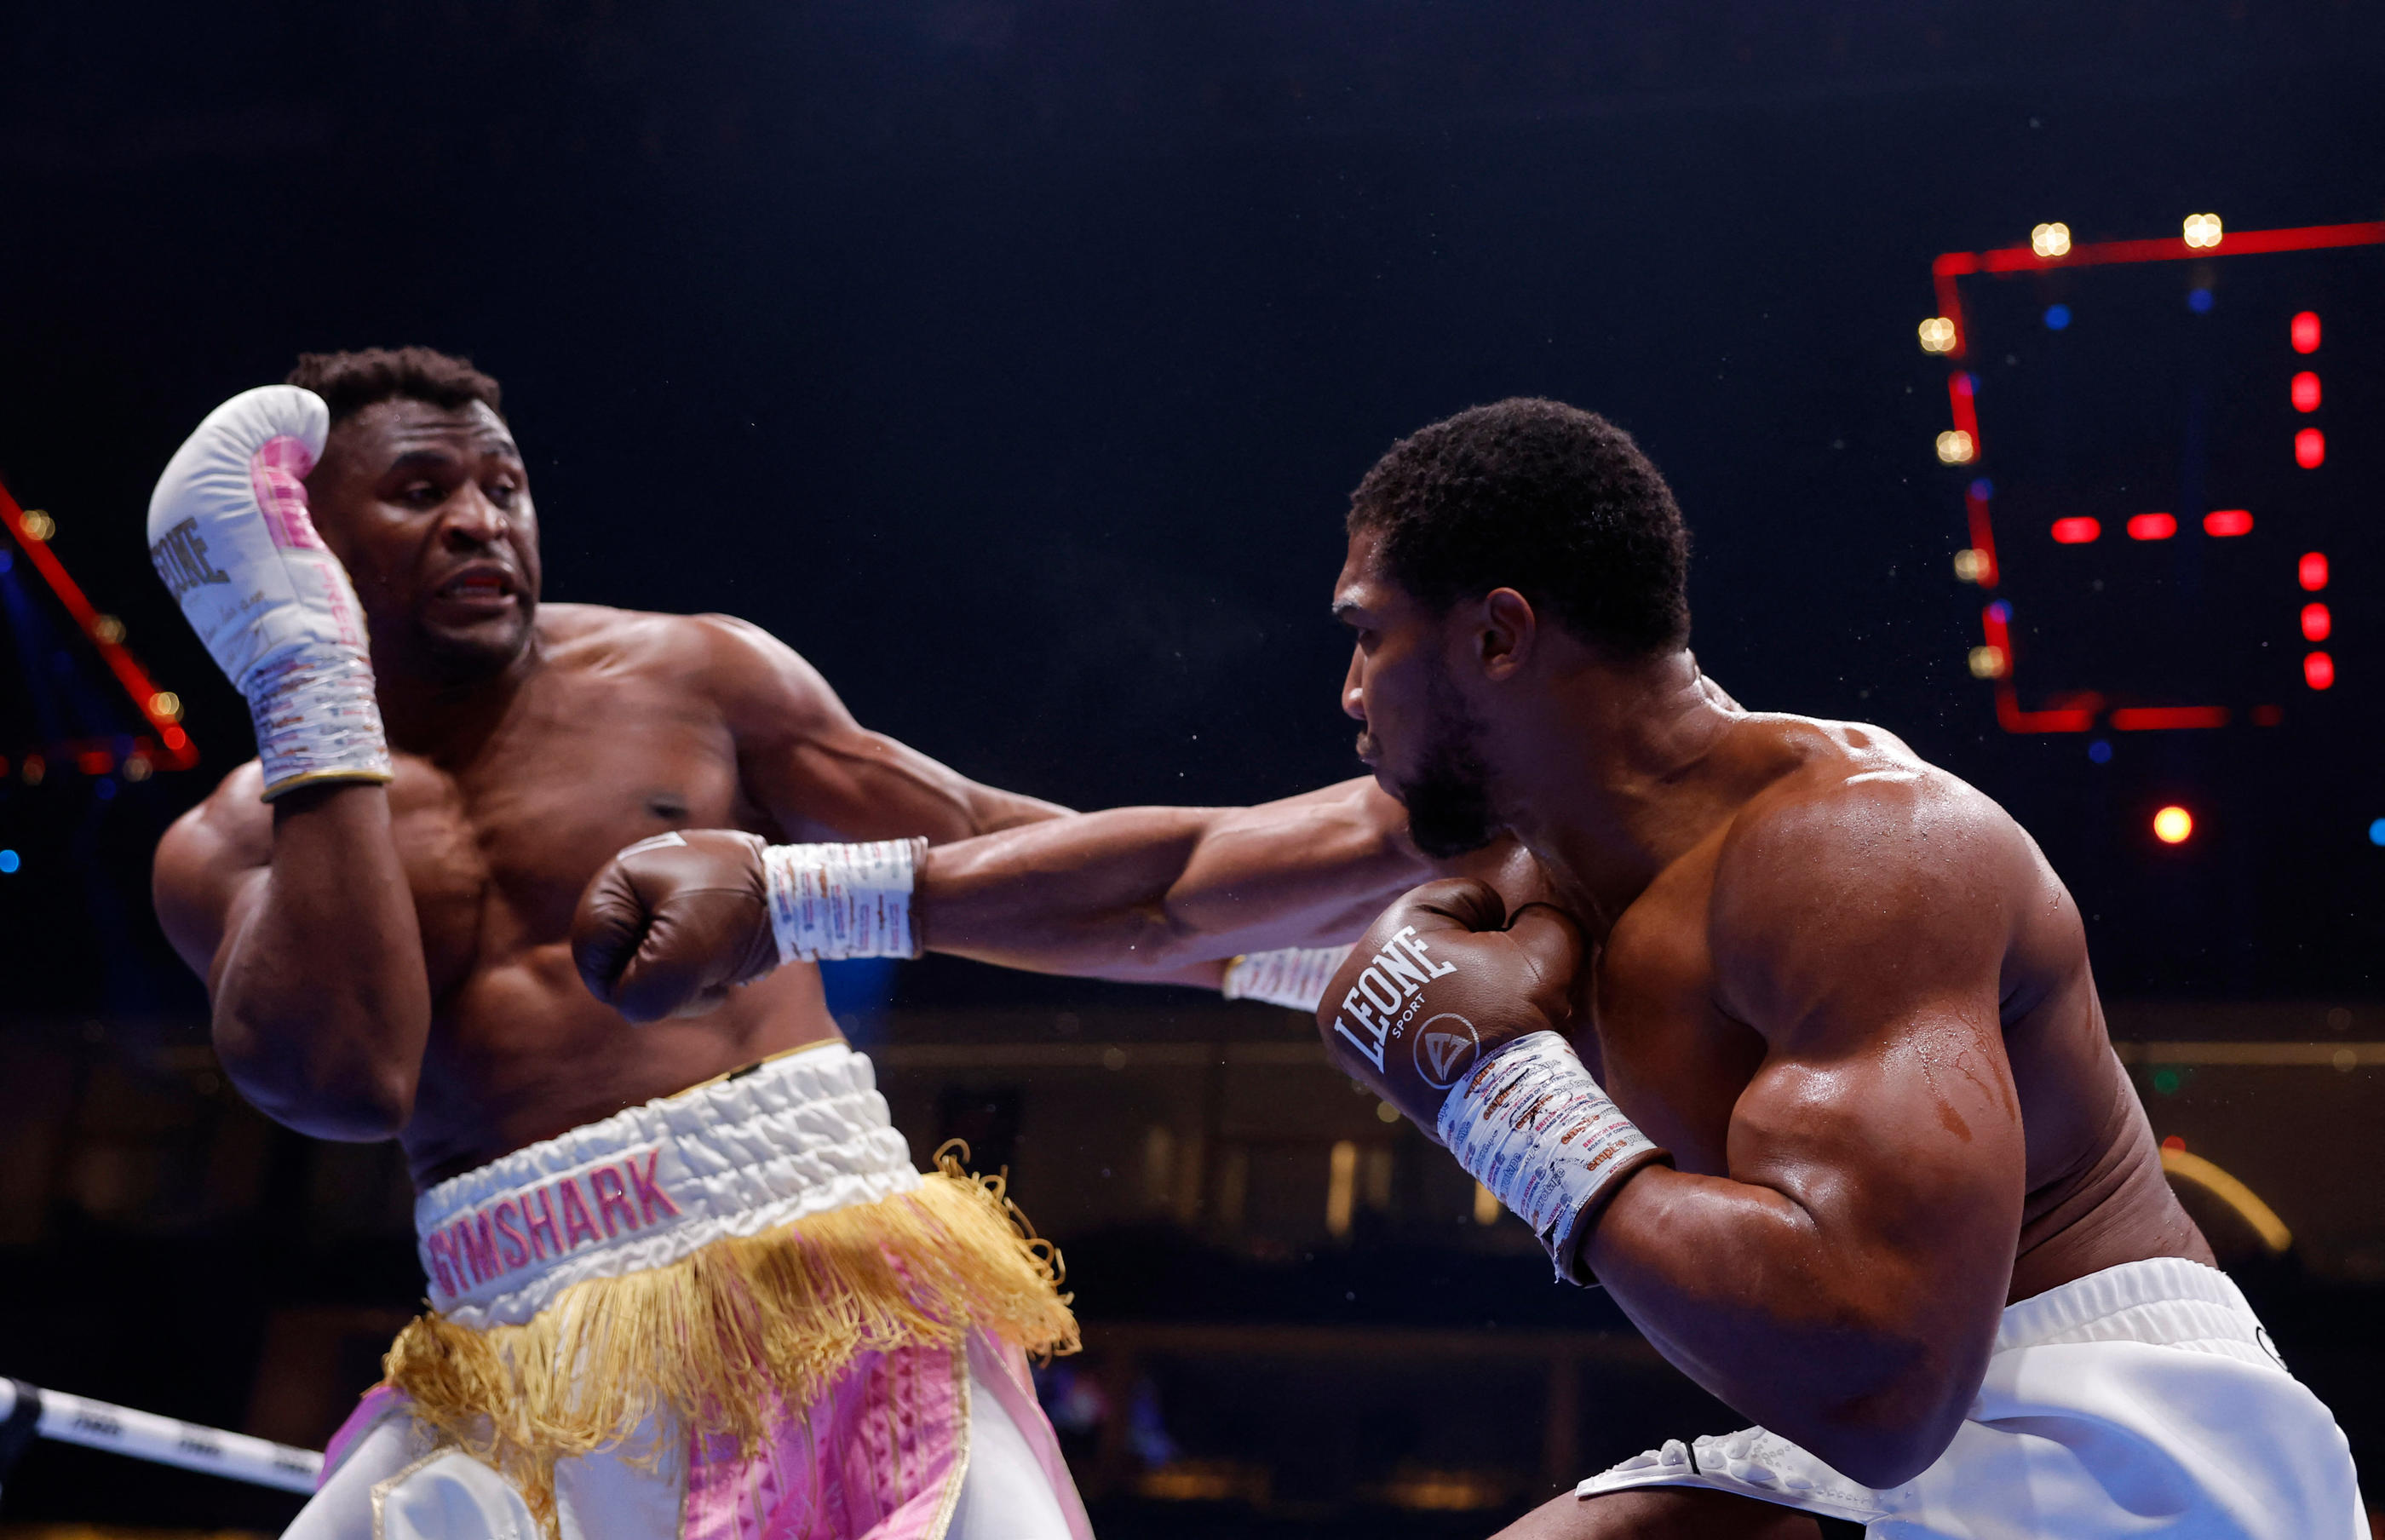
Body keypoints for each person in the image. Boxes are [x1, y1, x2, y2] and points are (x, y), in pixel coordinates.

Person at [586, 399, 2366, 1539]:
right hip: (1872, 1430)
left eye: (1369, 639)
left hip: (2111, 1430)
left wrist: (1490, 1092)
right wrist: (786, 892)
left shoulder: (1860, 860)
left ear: (1496, 634)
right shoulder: (1506, 838)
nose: (1345, 691)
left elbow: (1881, 1386)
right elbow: (1171, 887)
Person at [145, 350, 1447, 1540]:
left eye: (504, 484)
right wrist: (306, 676)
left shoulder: (692, 679)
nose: (480, 521)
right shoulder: (233, 845)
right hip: (510, 1347)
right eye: (420, 491)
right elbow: (347, 1081)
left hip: (813, 1273)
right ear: (300, 544)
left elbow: (991, 852)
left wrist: (1310, 963)